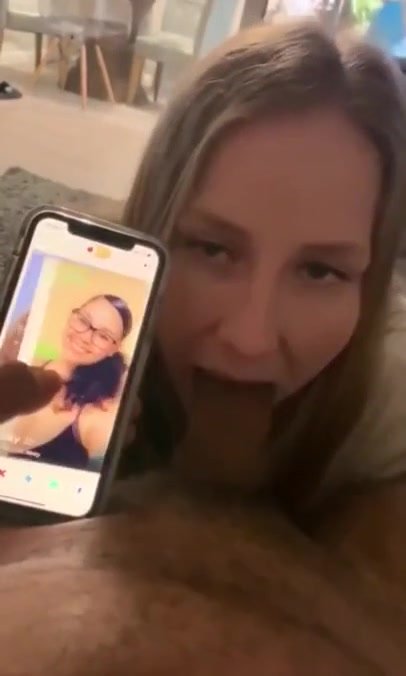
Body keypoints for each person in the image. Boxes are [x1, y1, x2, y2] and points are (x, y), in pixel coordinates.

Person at [0, 18, 406, 674]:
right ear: (154, 226)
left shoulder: (386, 400)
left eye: (320, 270)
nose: (250, 338)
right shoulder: (67, 307)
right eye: (212, 249)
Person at [7, 294, 132, 470]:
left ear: (114, 348)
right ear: (72, 316)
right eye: (83, 320)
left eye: (103, 336)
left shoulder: (95, 413)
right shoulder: (24, 370)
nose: (85, 337)